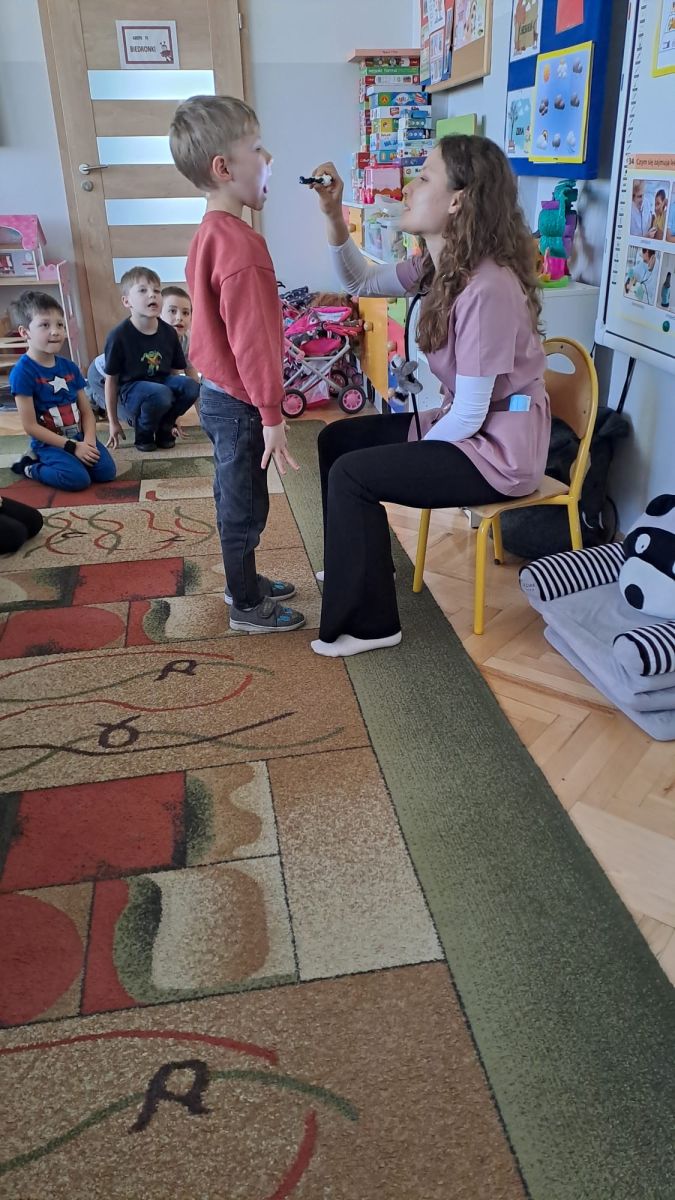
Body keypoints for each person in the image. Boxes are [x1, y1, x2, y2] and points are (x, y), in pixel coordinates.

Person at [307, 135, 550, 658]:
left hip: (499, 453)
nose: (409, 188)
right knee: (338, 442)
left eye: (423, 178)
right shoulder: (441, 267)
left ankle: (371, 625)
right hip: (469, 429)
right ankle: (358, 566)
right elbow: (359, 280)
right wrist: (332, 213)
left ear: (458, 200)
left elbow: (472, 413)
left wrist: (406, 457)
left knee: (355, 473)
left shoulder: (488, 287)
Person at [170, 94, 305, 633]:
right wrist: (272, 414)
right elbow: (253, 341)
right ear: (224, 168)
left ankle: (241, 580)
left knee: (233, 495)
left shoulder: (208, 233)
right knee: (245, 506)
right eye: (258, 148)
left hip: (217, 392)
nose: (269, 158)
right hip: (242, 402)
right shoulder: (244, 247)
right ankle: (246, 606)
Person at [8, 290, 117, 490]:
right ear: (25, 332)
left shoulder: (69, 367)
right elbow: (30, 426)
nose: (56, 331)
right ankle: (30, 467)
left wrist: (89, 441)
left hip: (79, 437)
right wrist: (72, 447)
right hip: (50, 443)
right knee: (77, 479)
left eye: (60, 324)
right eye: (45, 325)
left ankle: (75, 456)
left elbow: (86, 412)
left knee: (106, 472)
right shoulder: (22, 373)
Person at [103, 266, 200, 452]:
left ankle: (165, 426)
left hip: (161, 385)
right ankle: (144, 433)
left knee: (191, 386)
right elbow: (111, 381)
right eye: (143, 290)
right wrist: (113, 422)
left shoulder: (169, 333)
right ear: (126, 301)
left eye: (156, 290)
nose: (152, 295)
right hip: (132, 391)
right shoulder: (118, 336)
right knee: (160, 393)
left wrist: (175, 417)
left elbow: (175, 373)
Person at [160, 285, 200, 436]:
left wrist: (205, 419)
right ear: (158, 314)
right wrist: (173, 420)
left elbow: (192, 377)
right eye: (172, 311)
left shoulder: (186, 339)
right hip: (102, 376)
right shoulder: (154, 339)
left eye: (185, 313)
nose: (179, 317)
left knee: (189, 386)